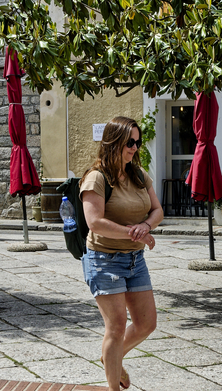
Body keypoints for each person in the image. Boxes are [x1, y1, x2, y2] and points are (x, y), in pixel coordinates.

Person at [80, 116, 161, 391]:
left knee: (147, 323)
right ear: (113, 141)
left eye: (138, 142)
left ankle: (110, 356)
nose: (135, 148)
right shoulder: (96, 178)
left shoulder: (138, 174)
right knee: (115, 327)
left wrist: (146, 225)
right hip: (104, 260)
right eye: (130, 142)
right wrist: (134, 232)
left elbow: (158, 210)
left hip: (135, 260)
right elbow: (95, 223)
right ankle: (113, 386)